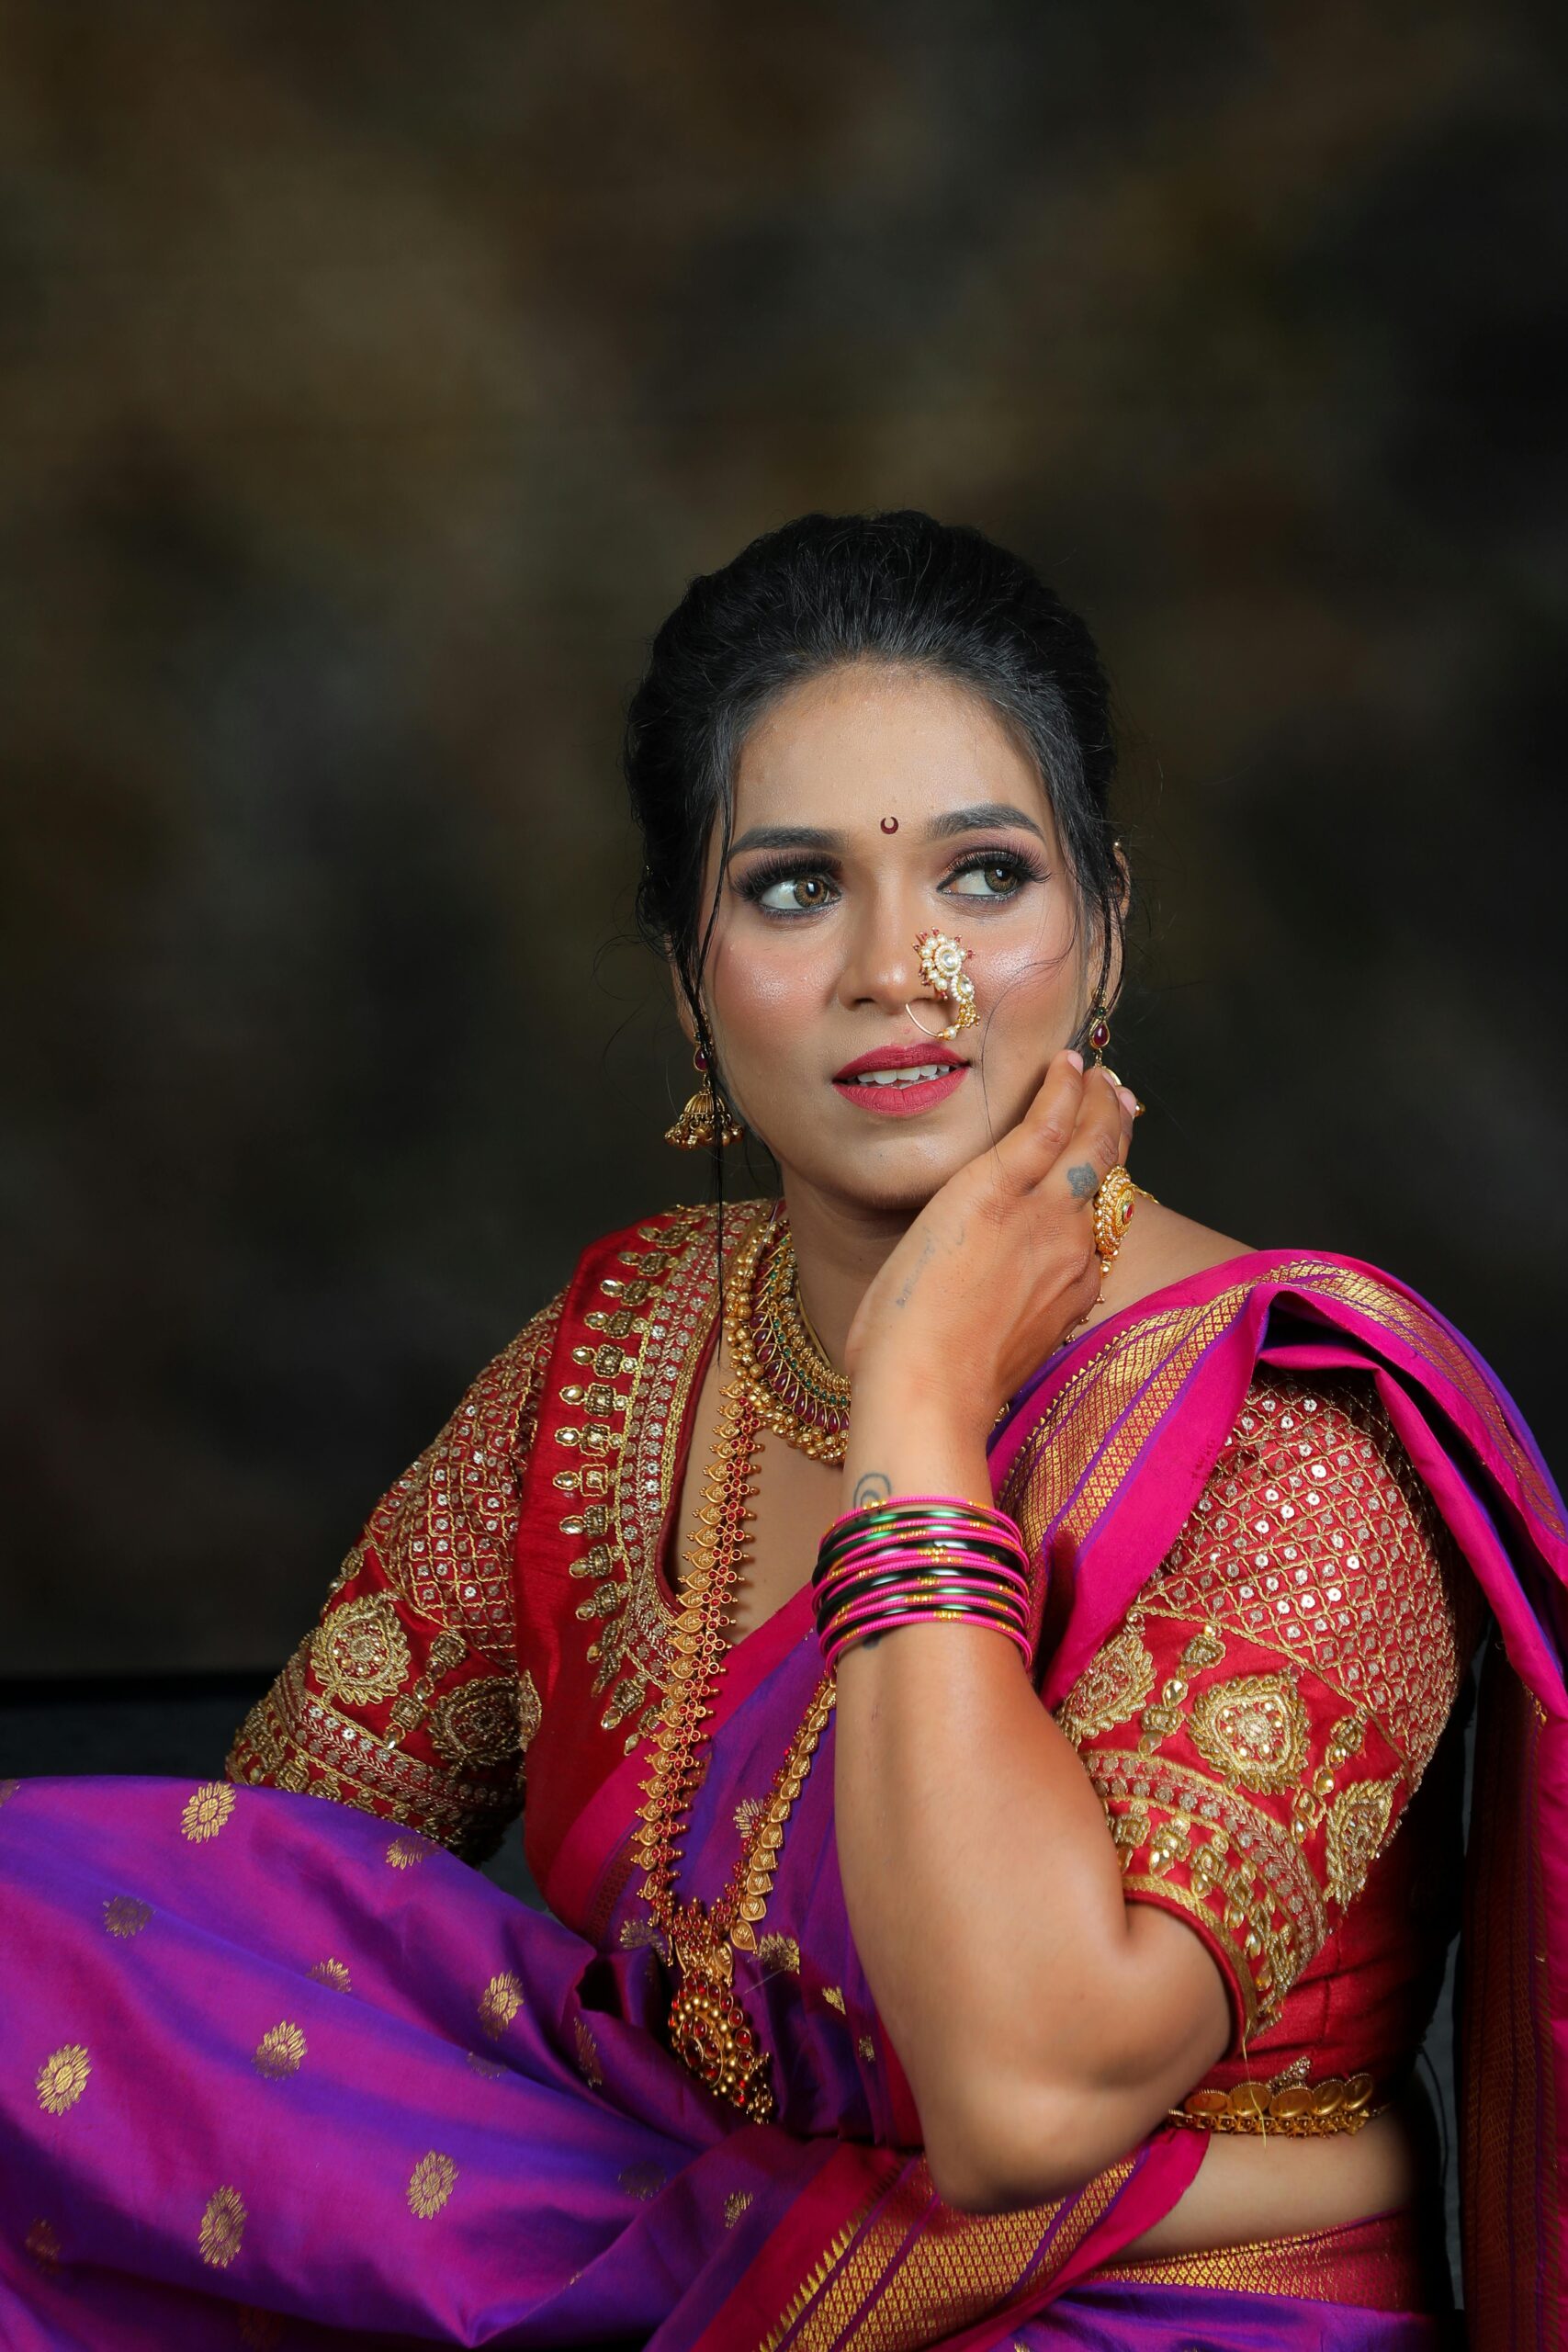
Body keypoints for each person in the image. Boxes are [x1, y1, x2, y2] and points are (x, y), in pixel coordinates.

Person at [1, 512, 1562, 2350]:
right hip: (707, 2272)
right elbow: (233, 1924)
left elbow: (1019, 2107)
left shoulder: (1287, 1426)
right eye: (793, 886)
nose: (898, 966)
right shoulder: (617, 1357)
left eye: (982, 873)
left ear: (1104, 924)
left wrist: (913, 1406)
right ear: (684, 976)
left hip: (1161, 2316)